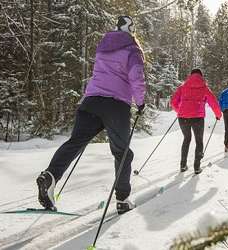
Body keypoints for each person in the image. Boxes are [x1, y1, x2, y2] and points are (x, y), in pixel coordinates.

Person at [36, 16, 146, 214]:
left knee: (75, 142)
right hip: (116, 104)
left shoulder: (104, 46)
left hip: (91, 101)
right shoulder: (132, 49)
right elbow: (136, 77)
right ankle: (123, 199)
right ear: (130, 29)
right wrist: (140, 102)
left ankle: (50, 176)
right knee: (122, 153)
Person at [170, 69, 222, 174]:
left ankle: (183, 165)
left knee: (186, 139)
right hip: (197, 118)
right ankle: (197, 167)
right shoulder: (204, 88)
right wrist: (218, 114)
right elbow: (213, 102)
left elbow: (173, 102)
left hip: (183, 117)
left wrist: (180, 110)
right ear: (201, 76)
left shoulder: (182, 87)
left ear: (191, 75)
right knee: (199, 141)